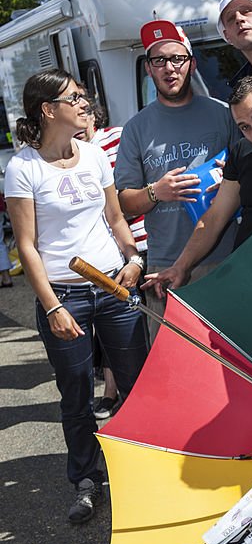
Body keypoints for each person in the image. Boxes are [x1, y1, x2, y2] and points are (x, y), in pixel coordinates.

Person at [4, 70, 148, 524]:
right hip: (64, 296)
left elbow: (116, 216)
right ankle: (87, 480)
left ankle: (144, 471)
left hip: (113, 286)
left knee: (137, 386)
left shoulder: (93, 155)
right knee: (77, 394)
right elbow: (27, 246)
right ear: (49, 110)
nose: (86, 103)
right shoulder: (22, 167)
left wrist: (134, 257)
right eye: (75, 97)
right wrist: (52, 307)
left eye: (84, 96)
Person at [113, 19, 243, 339]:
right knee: (175, 368)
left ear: (191, 64)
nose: (169, 68)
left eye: (177, 58)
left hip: (224, 259)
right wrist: (157, 192)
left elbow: (250, 176)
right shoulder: (135, 128)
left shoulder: (223, 113)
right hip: (164, 265)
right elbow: (124, 204)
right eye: (159, 61)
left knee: (234, 362)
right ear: (149, 69)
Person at [144, 76, 252, 293]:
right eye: (245, 127)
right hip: (251, 274)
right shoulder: (241, 151)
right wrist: (180, 266)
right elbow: (215, 217)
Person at [78, 95, 147, 418]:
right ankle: (110, 390)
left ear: (93, 114)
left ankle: (133, 397)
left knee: (135, 327)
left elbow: (124, 191)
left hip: (138, 241)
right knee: (112, 329)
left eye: (84, 107)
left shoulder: (116, 138)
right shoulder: (62, 156)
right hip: (106, 253)